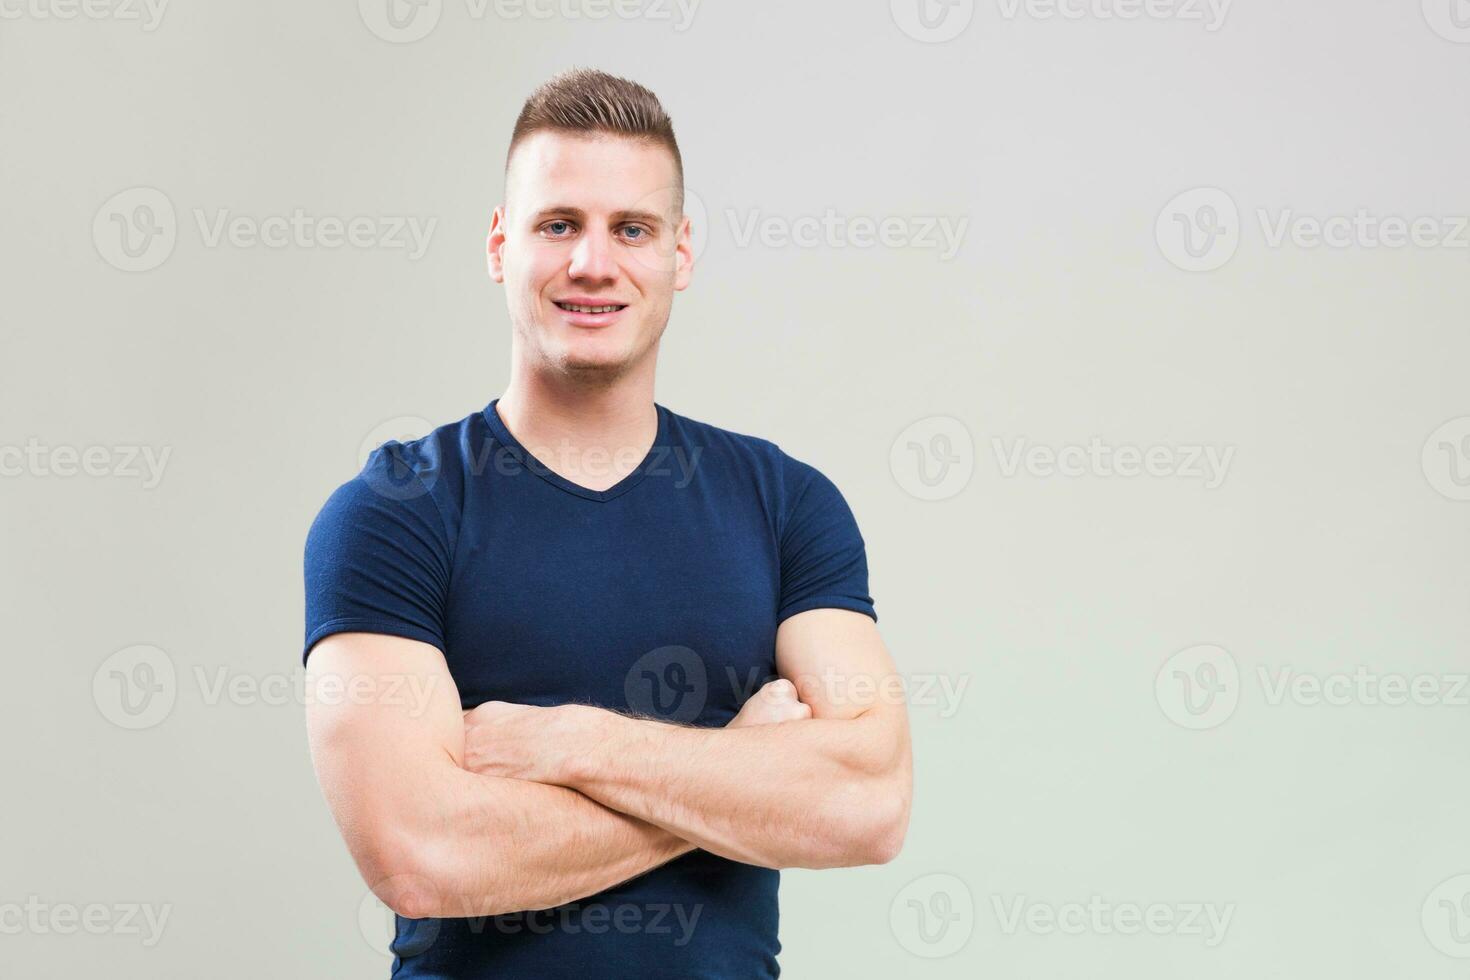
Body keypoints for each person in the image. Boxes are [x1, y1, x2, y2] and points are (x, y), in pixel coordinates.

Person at [301, 67, 912, 979]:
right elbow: (423, 858)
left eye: (632, 228)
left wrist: (571, 744)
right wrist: (739, 771)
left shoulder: (786, 502)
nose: (594, 263)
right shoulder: (393, 515)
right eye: (559, 226)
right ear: (501, 245)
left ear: (681, 252)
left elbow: (869, 803)